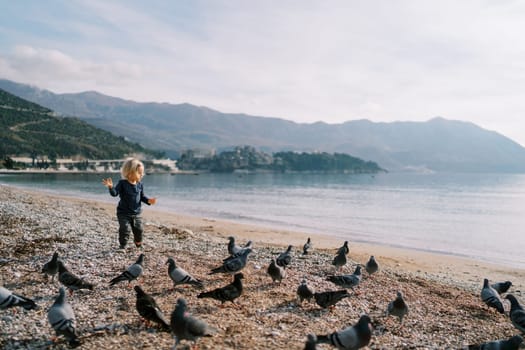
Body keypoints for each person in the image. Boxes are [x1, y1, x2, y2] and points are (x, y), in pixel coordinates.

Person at [102, 158, 156, 249]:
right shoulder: (122, 183)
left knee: (139, 230)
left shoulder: (140, 185)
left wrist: (149, 201)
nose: (141, 174)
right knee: (124, 229)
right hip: (123, 213)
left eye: (142, 173)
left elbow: (142, 197)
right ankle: (123, 245)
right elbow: (115, 194)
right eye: (139, 172)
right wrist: (111, 187)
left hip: (136, 213)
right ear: (130, 172)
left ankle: (138, 242)